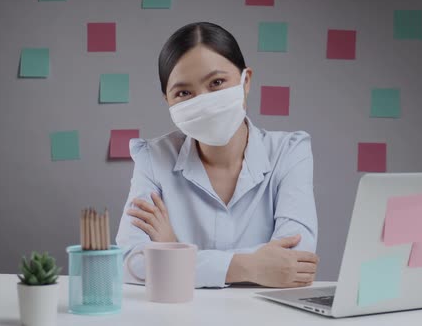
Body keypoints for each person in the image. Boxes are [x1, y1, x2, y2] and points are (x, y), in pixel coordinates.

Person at [116, 22, 319, 288]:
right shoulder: (153, 158)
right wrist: (248, 266)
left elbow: (294, 262)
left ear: (246, 81)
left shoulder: (289, 152)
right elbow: (129, 264)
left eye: (217, 83)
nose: (203, 101)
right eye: (184, 93)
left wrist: (175, 250)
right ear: (167, 100)